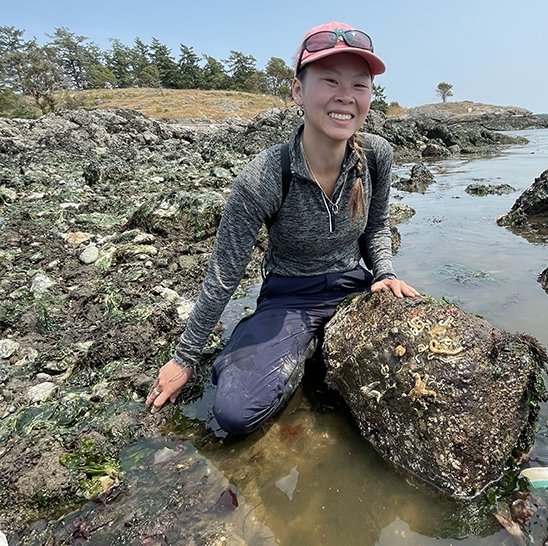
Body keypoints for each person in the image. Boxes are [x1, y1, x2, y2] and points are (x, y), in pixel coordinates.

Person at [145, 21, 419, 434]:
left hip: (356, 286)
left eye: (359, 85)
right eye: (329, 80)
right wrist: (185, 358)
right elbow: (223, 274)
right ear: (297, 91)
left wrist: (385, 274)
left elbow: (376, 226)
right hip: (290, 298)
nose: (346, 96)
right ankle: (285, 346)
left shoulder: (376, 154)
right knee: (235, 413)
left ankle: (316, 351)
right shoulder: (264, 177)